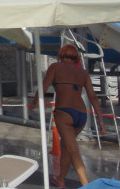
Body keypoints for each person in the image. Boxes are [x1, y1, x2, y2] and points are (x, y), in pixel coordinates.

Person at [31, 44, 106, 188]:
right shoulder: (83, 73)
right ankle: (60, 179)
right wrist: (101, 122)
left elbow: (43, 88)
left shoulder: (55, 67)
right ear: (76, 57)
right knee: (66, 147)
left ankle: (86, 186)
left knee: (74, 152)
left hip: (64, 113)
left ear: (61, 55)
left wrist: (33, 103)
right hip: (81, 115)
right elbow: (93, 97)